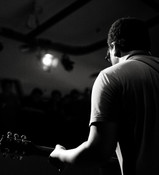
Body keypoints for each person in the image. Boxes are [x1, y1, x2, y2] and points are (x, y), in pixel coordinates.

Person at [46, 17, 159, 175]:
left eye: (108, 57)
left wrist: (60, 154)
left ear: (115, 47)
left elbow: (97, 153)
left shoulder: (111, 76)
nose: (110, 62)